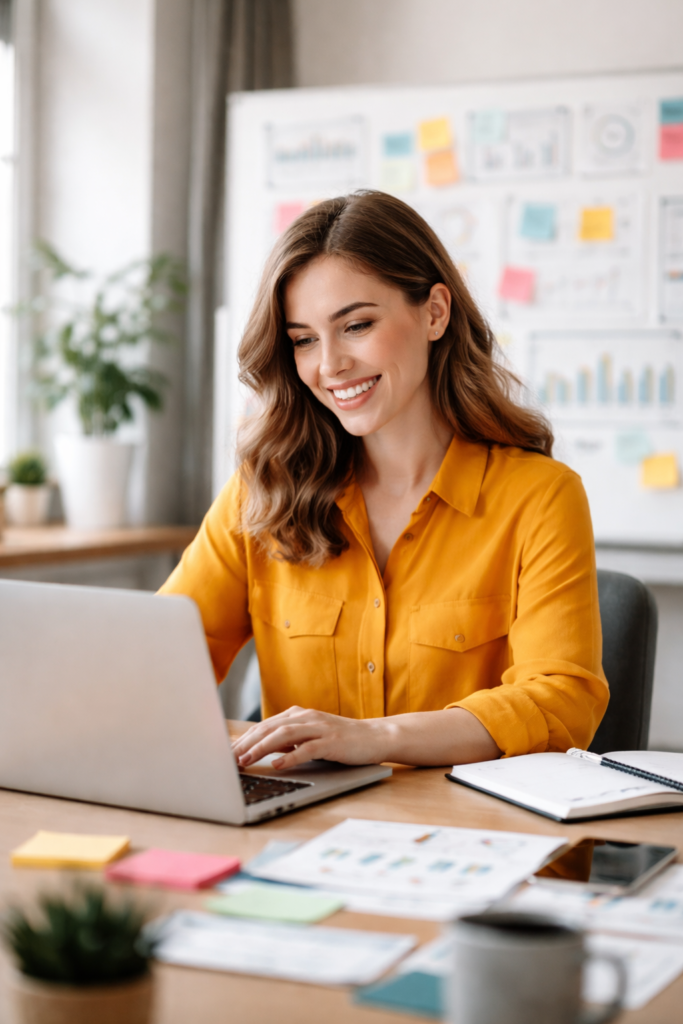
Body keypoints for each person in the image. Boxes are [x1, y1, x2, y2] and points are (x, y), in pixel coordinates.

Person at [159, 190, 608, 772]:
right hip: (298, 829)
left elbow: (561, 700)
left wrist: (378, 737)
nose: (329, 365)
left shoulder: (540, 497)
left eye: (357, 325)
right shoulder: (263, 491)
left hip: (467, 836)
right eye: (303, 339)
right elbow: (165, 659)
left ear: (434, 313)